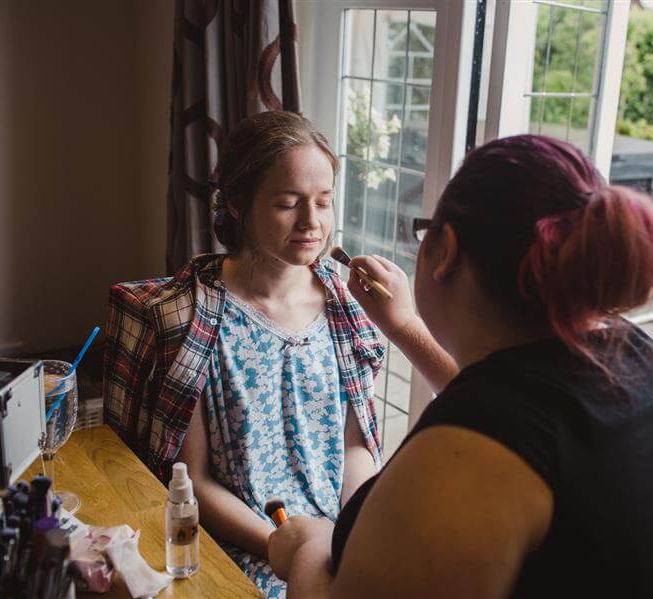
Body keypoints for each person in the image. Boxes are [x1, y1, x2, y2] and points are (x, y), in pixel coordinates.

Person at [267, 135, 653, 598]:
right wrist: (405, 327)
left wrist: (309, 548)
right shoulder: (627, 351)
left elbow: (500, 430)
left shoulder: (470, 459)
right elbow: (518, 413)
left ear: (447, 249)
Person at [102, 111, 456, 597]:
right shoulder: (192, 321)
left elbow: (355, 446)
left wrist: (350, 533)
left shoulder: (347, 306)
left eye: (325, 202)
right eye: (289, 204)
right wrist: (281, 544)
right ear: (239, 205)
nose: (313, 223)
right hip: (247, 547)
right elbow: (194, 481)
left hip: (338, 538)